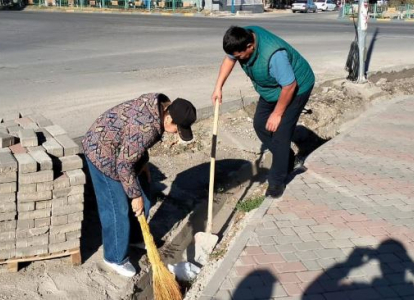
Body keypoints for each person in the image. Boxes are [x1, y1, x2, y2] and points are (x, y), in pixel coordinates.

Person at [82, 93, 197, 278]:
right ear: (168, 117)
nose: (177, 132)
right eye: (177, 128)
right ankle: (114, 257)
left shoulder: (159, 110)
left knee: (145, 195)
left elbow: (135, 146)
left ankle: (135, 237)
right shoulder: (146, 127)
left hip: (121, 151)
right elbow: (124, 164)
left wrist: (143, 165)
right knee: (116, 207)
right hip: (101, 151)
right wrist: (133, 196)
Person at [212, 25, 315, 198]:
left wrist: (277, 113)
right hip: (272, 89)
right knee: (260, 125)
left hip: (296, 88)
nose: (238, 60)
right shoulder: (240, 38)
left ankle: (277, 182)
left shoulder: (274, 55)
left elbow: (289, 86)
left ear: (250, 47)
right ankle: (286, 156)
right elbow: (229, 59)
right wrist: (218, 87)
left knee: (281, 133)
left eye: (240, 56)